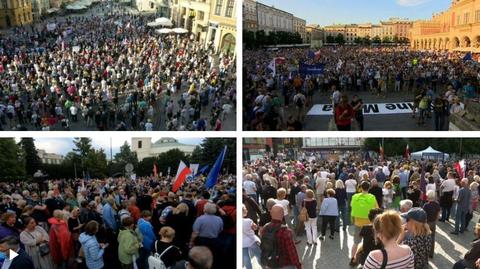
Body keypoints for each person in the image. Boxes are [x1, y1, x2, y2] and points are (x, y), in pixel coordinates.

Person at [259, 204, 301, 269]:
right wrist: (298, 266)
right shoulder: (286, 231)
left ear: (271, 214)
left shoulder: (265, 228)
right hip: (284, 264)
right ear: (283, 214)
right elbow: (292, 253)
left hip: (270, 262)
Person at [350, 181, 378, 266]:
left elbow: (352, 206)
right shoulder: (372, 197)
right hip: (369, 224)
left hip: (358, 222)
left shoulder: (355, 196)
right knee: (368, 243)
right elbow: (376, 209)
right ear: (369, 188)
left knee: (355, 242)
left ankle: (353, 259)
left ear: (361, 187)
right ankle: (368, 261)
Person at [422, 190, 441, 258]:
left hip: (427, 223)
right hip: (433, 222)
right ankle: (431, 253)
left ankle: (425, 252)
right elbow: (438, 214)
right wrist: (436, 221)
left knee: (425, 238)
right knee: (432, 238)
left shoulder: (426, 205)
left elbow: (423, 215)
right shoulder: (437, 204)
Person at [242, 205, 261, 269]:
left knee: (246, 258)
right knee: (259, 255)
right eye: (245, 209)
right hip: (251, 241)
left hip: (242, 243)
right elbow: (255, 228)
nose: (246, 210)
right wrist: (255, 226)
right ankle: (264, 266)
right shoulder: (249, 221)